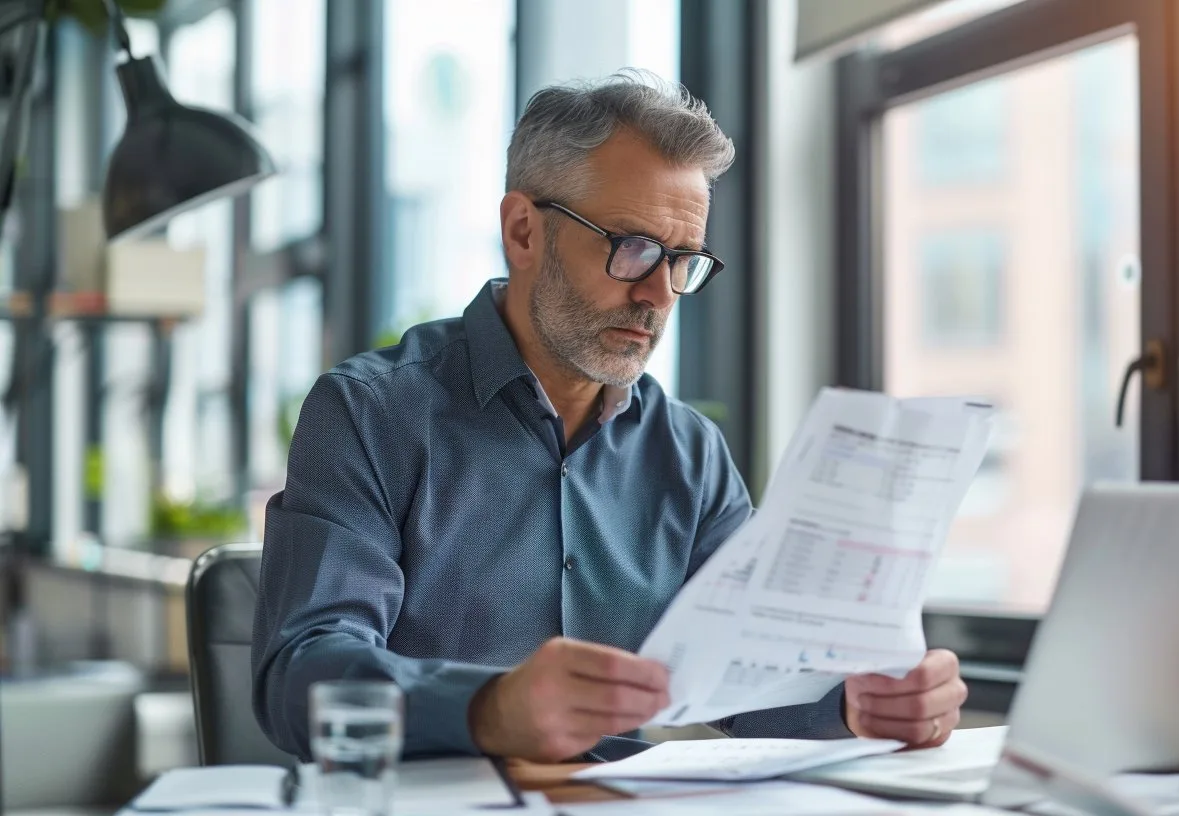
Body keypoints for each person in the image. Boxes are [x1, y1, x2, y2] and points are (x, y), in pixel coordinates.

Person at [252, 71, 967, 763]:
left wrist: (857, 704)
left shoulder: (689, 453)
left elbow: (742, 677)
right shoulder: (373, 412)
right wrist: (490, 708)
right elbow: (301, 675)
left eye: (682, 259)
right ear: (524, 232)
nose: (659, 294)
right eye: (633, 249)